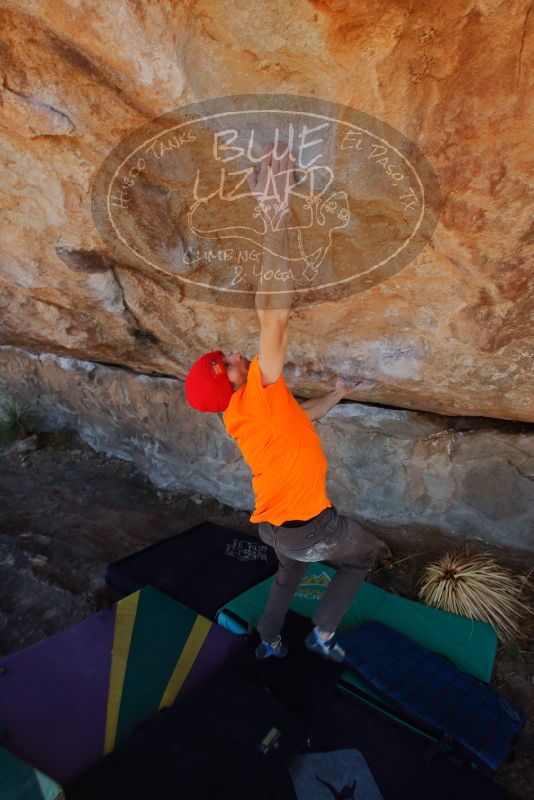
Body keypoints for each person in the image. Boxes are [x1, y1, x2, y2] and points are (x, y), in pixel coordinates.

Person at [184, 142, 393, 662]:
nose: (236, 356)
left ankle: (270, 639)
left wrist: (338, 393)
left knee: (287, 575)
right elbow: (274, 315)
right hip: (310, 527)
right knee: (364, 556)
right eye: (228, 364)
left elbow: (301, 421)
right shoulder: (257, 390)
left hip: (276, 527)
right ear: (233, 382)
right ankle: (322, 633)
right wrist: (274, 212)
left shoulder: (245, 414)